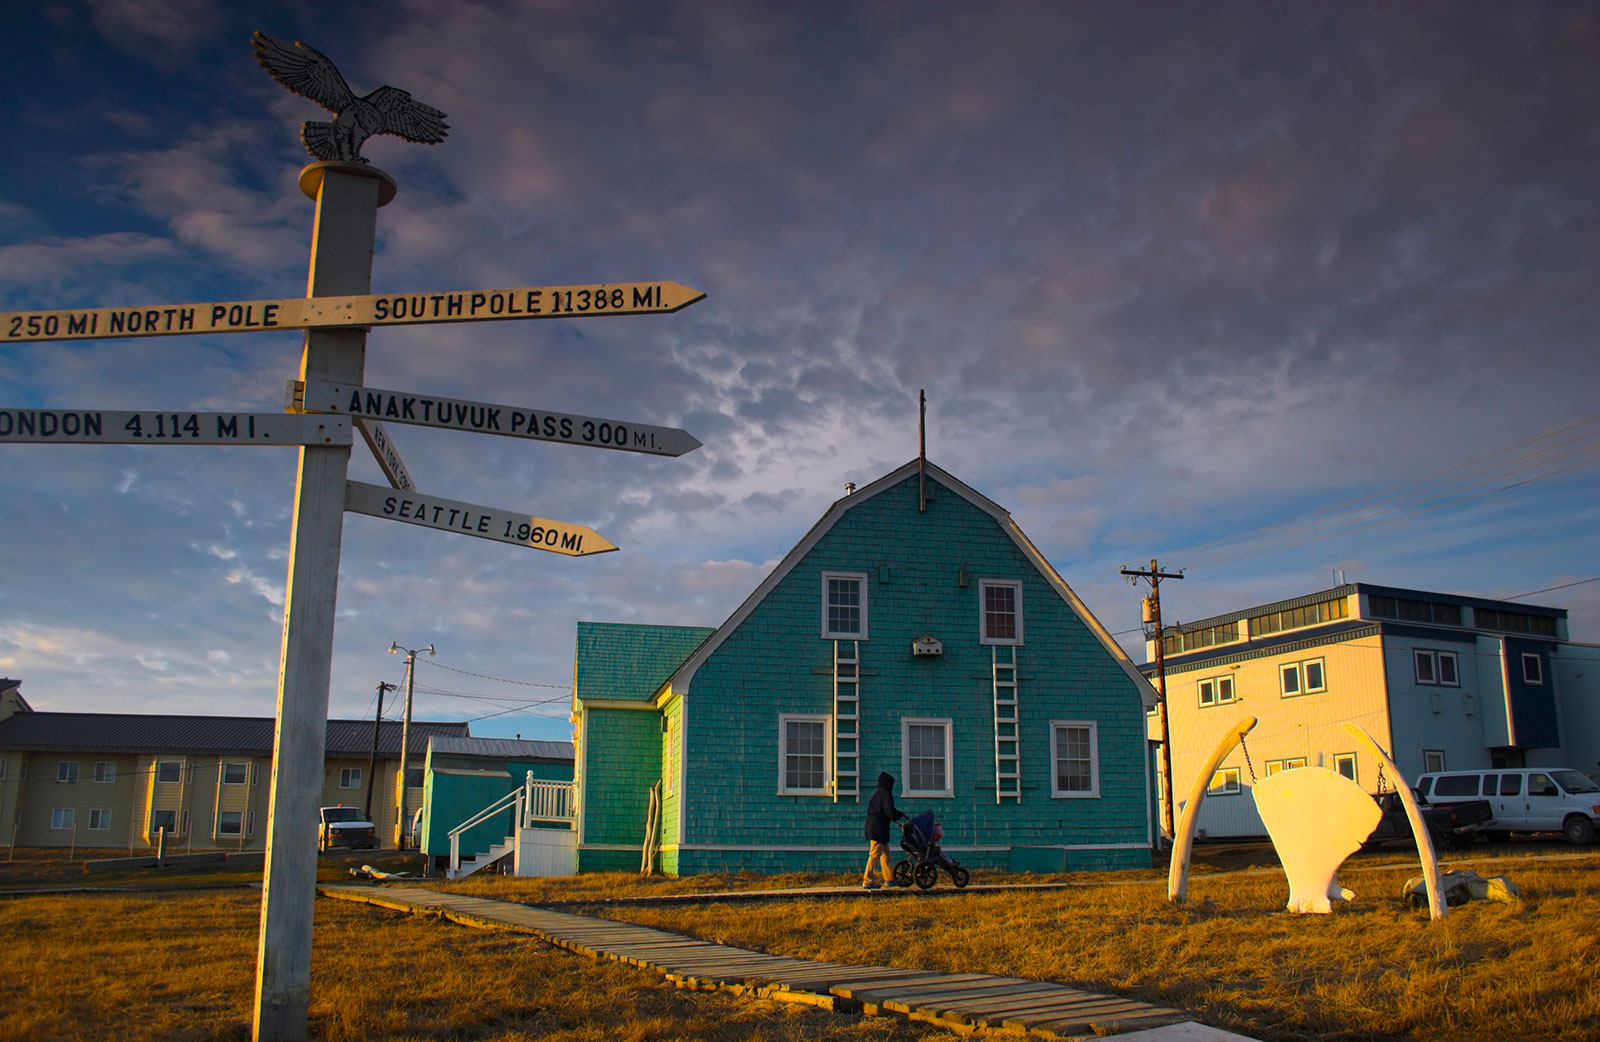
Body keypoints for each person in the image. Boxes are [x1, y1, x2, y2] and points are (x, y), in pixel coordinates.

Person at [862, 770, 907, 889]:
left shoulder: (877, 794)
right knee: (875, 854)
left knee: (885, 854)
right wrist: (899, 815)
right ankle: (868, 879)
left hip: (874, 827)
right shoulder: (886, 794)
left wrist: (897, 815)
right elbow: (889, 811)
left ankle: (889, 878)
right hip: (878, 829)